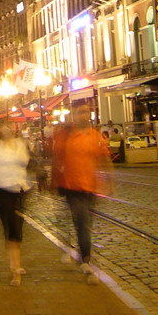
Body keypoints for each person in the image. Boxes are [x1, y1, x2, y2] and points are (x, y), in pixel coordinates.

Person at [52, 104, 112, 284]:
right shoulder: (67, 135)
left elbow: (104, 157)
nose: (83, 115)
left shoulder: (95, 135)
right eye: (80, 112)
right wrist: (53, 179)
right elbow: (57, 157)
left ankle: (82, 254)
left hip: (90, 186)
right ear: (74, 116)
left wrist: (110, 179)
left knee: (84, 223)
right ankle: (85, 259)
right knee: (81, 221)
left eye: (86, 111)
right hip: (71, 185)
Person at [0, 122, 30, 285]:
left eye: (9, 126)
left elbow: (26, 163)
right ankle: (15, 268)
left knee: (18, 226)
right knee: (11, 227)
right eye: (4, 127)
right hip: (1, 189)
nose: (7, 129)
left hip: (20, 188)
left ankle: (14, 261)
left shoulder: (20, 144)